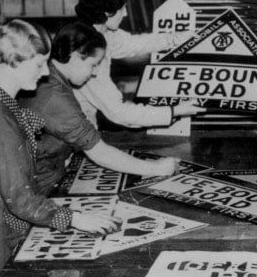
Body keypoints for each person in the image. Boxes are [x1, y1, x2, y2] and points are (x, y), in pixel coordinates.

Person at [0, 20, 121, 277]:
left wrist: (25, 124)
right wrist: (78, 219)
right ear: (15, 60)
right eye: (40, 63)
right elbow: (21, 200)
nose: (44, 72)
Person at [21, 22, 180, 195]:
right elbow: (100, 153)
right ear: (74, 57)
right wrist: (157, 168)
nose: (96, 73)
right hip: (33, 188)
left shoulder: (53, 80)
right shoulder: (55, 96)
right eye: (94, 64)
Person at [74, 0, 204, 128]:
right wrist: (173, 111)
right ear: (106, 11)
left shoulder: (101, 34)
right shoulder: (89, 52)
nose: (126, 14)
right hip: (70, 136)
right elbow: (119, 112)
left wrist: (175, 38)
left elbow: (136, 43)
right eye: (122, 9)